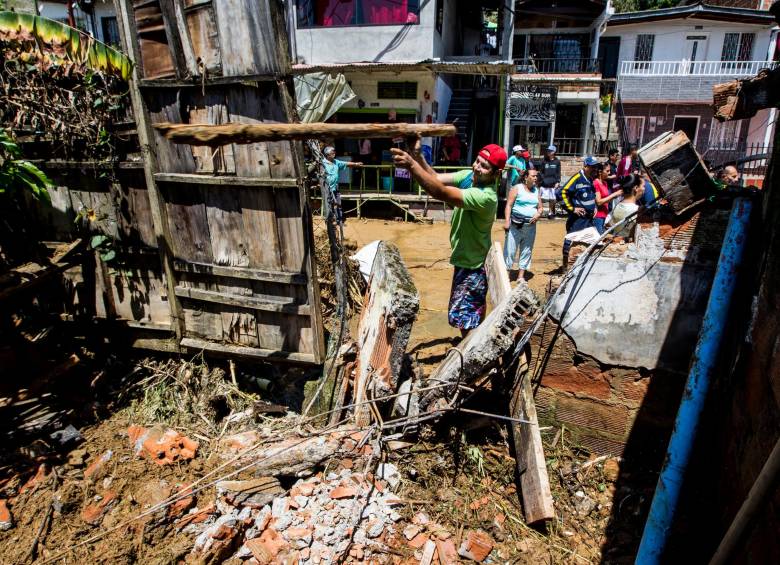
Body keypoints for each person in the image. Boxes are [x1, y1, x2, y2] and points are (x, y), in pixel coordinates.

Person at [392, 140, 506, 336]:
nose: (477, 168)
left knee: (466, 317)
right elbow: (435, 178)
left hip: (474, 265)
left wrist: (412, 165)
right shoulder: (469, 177)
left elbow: (440, 192)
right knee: (467, 314)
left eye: (484, 167)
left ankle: (472, 359)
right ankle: (471, 349)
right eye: (477, 161)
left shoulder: (486, 197)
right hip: (466, 259)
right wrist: (418, 156)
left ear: (496, 174)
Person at [503, 169, 543, 281]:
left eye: (536, 176)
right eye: (533, 176)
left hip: (530, 227)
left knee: (527, 250)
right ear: (526, 177)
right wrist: (507, 221)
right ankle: (506, 275)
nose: (535, 178)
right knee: (510, 250)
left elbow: (540, 207)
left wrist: (538, 214)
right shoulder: (517, 188)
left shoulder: (536, 191)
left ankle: (521, 276)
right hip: (515, 225)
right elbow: (508, 205)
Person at [560, 155, 599, 266]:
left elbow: (591, 196)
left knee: (588, 241)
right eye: (592, 167)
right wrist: (572, 209)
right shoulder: (577, 178)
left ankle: (581, 265)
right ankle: (565, 267)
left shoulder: (591, 179)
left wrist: (594, 206)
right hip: (578, 218)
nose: (594, 169)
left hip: (590, 218)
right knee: (571, 240)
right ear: (585, 166)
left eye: (596, 167)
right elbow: (562, 192)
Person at [322, 146, 362, 224]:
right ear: (327, 154)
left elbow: (346, 163)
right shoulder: (322, 163)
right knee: (328, 205)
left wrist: (356, 164)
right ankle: (329, 221)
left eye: (334, 152)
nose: (334, 154)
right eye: (332, 152)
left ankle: (339, 221)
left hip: (335, 188)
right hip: (327, 188)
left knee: (338, 205)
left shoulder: (336, 162)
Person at [607, 174, 642, 239]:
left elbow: (610, 224)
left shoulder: (618, 205)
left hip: (616, 240)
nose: (643, 188)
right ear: (636, 188)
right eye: (643, 186)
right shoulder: (636, 210)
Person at [594, 163, 622, 234]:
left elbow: (606, 199)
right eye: (607, 171)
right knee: (598, 238)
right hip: (598, 216)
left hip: (604, 215)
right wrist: (614, 195)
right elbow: (599, 202)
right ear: (600, 172)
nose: (609, 173)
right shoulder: (595, 183)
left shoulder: (605, 183)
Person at [539, 144, 562, 219]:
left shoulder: (557, 161)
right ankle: (540, 211)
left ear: (554, 152)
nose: (548, 152)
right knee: (541, 199)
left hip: (553, 184)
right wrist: (542, 180)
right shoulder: (544, 161)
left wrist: (558, 182)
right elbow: (541, 172)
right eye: (548, 150)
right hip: (544, 183)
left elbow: (558, 172)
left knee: (552, 199)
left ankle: (550, 213)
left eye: (550, 151)